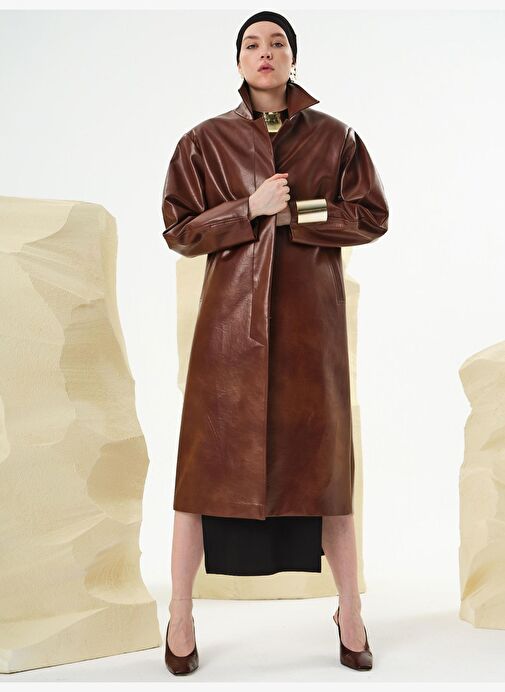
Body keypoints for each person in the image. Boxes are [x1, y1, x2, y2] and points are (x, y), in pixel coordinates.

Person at [161, 10, 389, 675]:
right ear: (238, 61)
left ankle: (350, 613)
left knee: (328, 477)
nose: (265, 52)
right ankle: (180, 614)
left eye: (277, 42)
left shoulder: (336, 138)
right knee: (200, 476)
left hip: (309, 338)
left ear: (292, 58)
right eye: (252, 44)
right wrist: (248, 209)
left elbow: (372, 215)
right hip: (227, 336)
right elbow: (178, 230)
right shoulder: (202, 142)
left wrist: (300, 211)